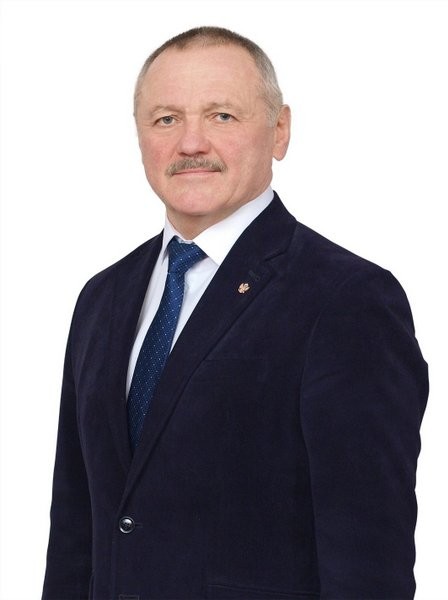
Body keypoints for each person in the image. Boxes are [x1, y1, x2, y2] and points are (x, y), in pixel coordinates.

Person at [42, 26, 428, 600]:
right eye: (166, 119)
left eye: (221, 116)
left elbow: (369, 561)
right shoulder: (102, 298)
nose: (191, 142)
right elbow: (76, 533)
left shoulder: (346, 299)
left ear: (279, 130)